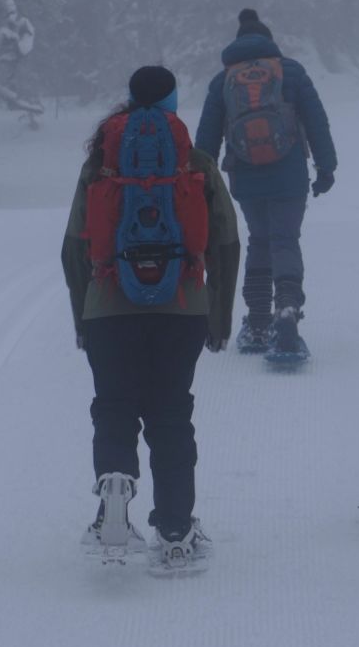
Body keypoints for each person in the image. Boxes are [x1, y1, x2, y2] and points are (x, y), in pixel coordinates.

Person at [62, 65, 240, 571]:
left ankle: (114, 488)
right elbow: (225, 241)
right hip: (181, 310)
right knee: (170, 412)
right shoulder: (197, 162)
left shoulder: (101, 163)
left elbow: (74, 245)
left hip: (109, 307)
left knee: (114, 403)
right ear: (172, 101)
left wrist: (84, 314)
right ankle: (178, 530)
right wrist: (218, 317)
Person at [195, 8, 337, 361]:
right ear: (269, 41)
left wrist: (200, 182)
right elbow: (318, 122)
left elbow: (206, 138)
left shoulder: (223, 80)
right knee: (285, 239)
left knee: (259, 239)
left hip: (246, 176)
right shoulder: (290, 72)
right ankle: (286, 310)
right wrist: (326, 168)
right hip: (289, 175)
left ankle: (257, 322)